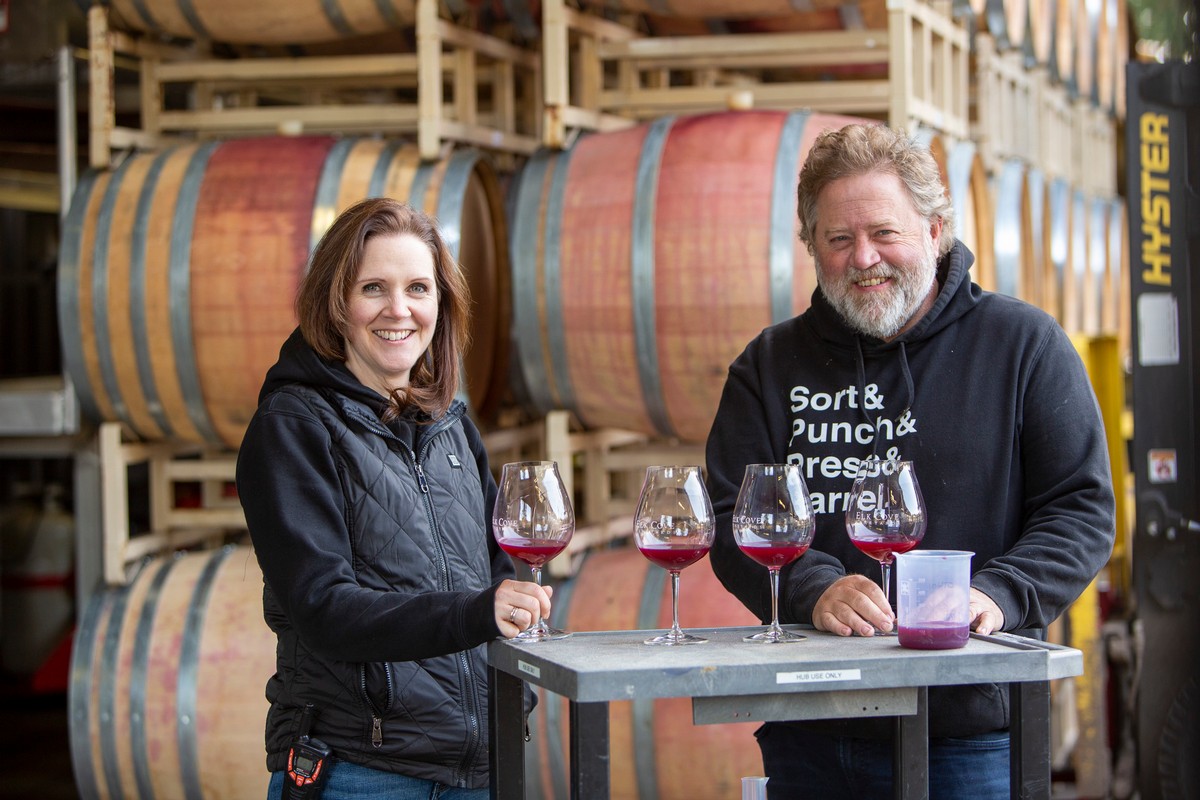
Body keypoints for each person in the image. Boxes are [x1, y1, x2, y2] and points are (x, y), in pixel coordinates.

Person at [705, 123, 1116, 799]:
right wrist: (814, 587)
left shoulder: (1023, 346)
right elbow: (729, 518)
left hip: (972, 733)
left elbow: (1081, 508)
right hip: (813, 727)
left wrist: (1000, 594)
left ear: (935, 231)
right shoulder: (768, 366)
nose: (863, 258)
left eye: (884, 233)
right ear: (811, 246)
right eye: (838, 239)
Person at [236, 197, 551, 799]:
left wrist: (515, 696)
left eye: (418, 288)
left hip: (477, 769)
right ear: (336, 302)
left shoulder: (451, 423)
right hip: (363, 771)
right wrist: (475, 613)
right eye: (374, 288)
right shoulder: (294, 426)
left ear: (442, 302)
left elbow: (496, 569)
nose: (399, 309)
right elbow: (324, 607)